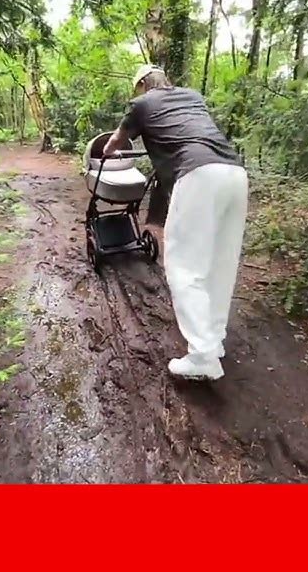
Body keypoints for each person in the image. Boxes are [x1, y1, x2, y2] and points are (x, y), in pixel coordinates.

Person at [103, 64, 248, 381]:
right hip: (234, 173)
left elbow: (116, 140)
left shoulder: (142, 104)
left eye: (138, 88)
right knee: (220, 265)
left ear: (142, 84)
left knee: (183, 265)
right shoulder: (192, 96)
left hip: (197, 174)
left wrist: (105, 153)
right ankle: (214, 342)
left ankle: (202, 357)